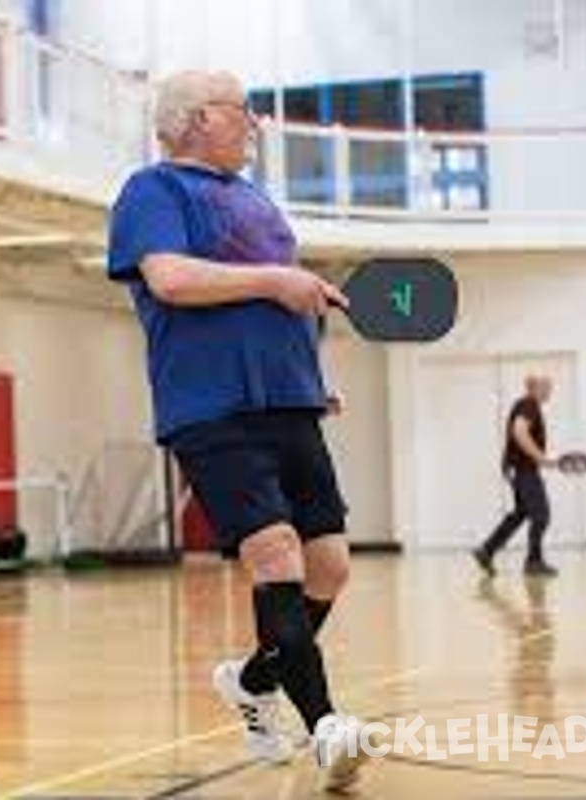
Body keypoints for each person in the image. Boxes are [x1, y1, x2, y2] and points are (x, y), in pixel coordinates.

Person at [106, 70, 365, 791]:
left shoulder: (255, 199)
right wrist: (278, 282)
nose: (253, 123)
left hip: (289, 400)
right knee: (277, 554)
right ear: (194, 119)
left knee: (331, 566)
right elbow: (171, 281)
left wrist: (309, 374)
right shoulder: (153, 191)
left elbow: (280, 305)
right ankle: (328, 730)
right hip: (210, 409)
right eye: (240, 111)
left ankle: (252, 681)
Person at [474, 375, 560, 577]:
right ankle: (534, 561)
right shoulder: (528, 404)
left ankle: (486, 551)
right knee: (541, 515)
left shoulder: (527, 405)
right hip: (523, 469)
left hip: (517, 467)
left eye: (550, 387)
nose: (550, 391)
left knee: (521, 513)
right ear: (534, 387)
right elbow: (519, 432)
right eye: (546, 387)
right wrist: (541, 458)